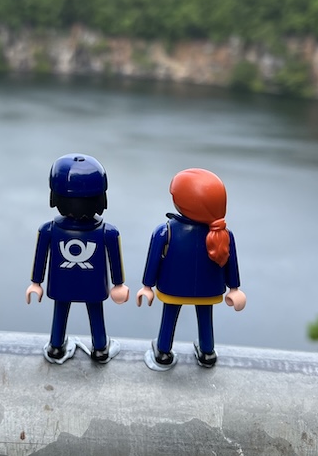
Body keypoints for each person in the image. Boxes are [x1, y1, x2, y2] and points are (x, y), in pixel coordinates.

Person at [137, 168, 246, 369]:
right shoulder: (225, 234)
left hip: (173, 288)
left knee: (169, 317)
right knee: (205, 319)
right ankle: (207, 353)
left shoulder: (165, 230)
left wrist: (147, 286)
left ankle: (163, 352)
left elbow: (153, 260)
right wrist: (234, 288)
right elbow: (232, 263)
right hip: (208, 291)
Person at [27, 154, 129, 363]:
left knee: (60, 310)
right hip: (93, 284)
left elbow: (40, 258)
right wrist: (118, 284)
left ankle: (56, 347)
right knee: (95, 311)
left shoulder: (49, 230)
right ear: (101, 197)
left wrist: (36, 283)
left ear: (55, 196)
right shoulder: (108, 232)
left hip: (61, 283)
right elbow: (115, 260)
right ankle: (100, 349)